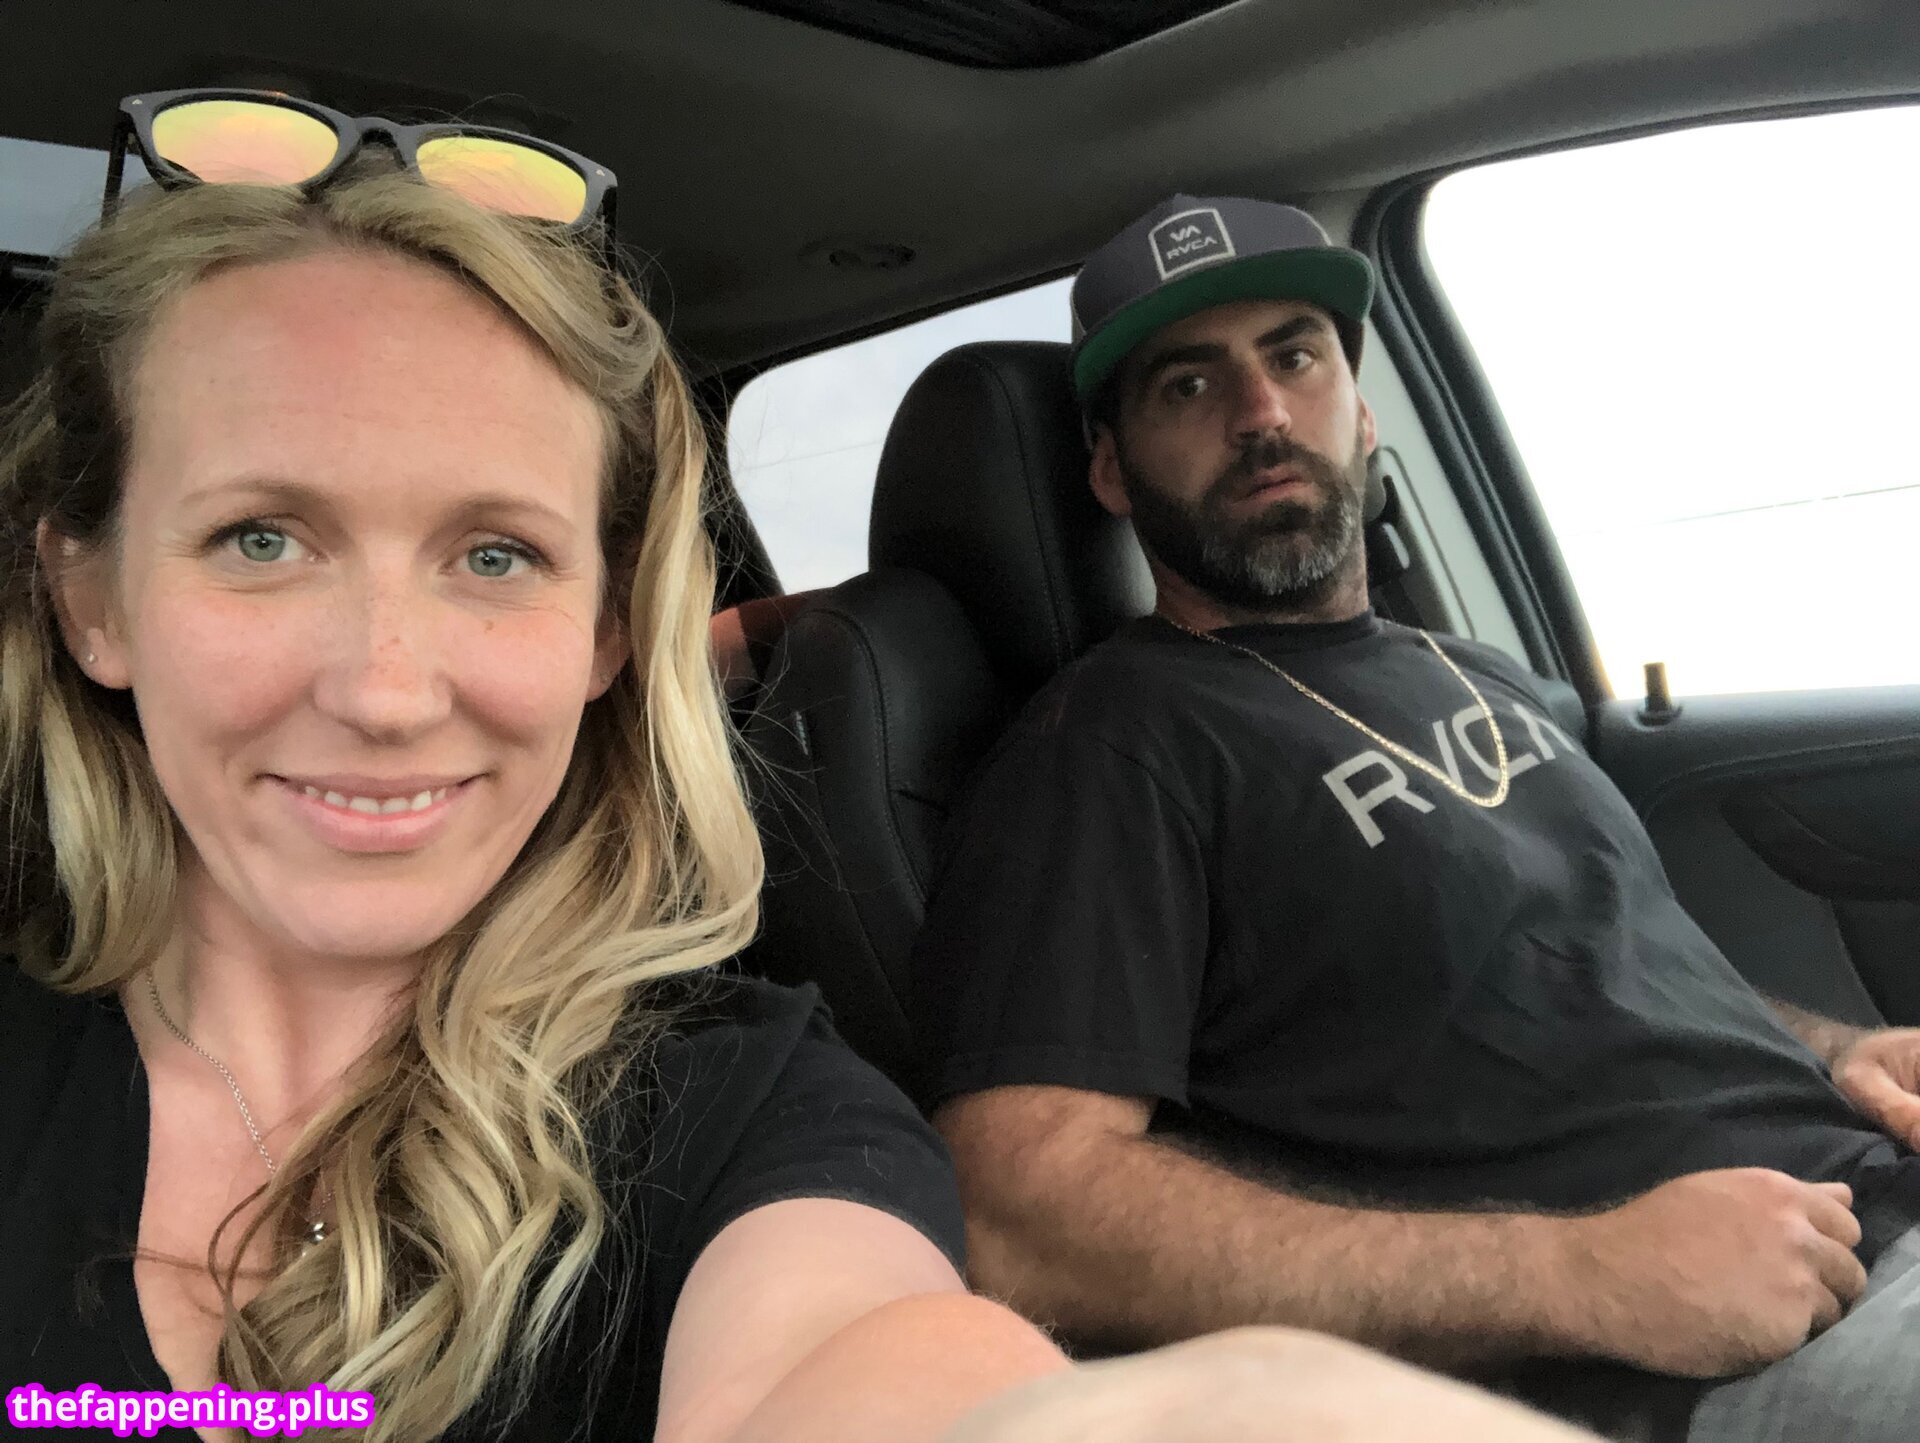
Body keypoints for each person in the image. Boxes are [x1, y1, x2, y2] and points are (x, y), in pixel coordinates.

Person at [0, 97, 1595, 1443]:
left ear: (611, 629)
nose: (385, 690)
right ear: (90, 595)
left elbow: (865, 1357)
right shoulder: (1110, 743)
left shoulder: (742, 1113)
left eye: (496, 554)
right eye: (260, 538)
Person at [912, 193, 1920, 1440]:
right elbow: (1016, 1207)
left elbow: (1608, 972)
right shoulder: (1108, 744)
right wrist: (1577, 1274)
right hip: (1714, 1352)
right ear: (1110, 468)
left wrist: (1836, 1054)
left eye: (1296, 356)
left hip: (1870, 1191)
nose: (1262, 412)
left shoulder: (1481, 674)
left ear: (1362, 407)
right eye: (1189, 384)